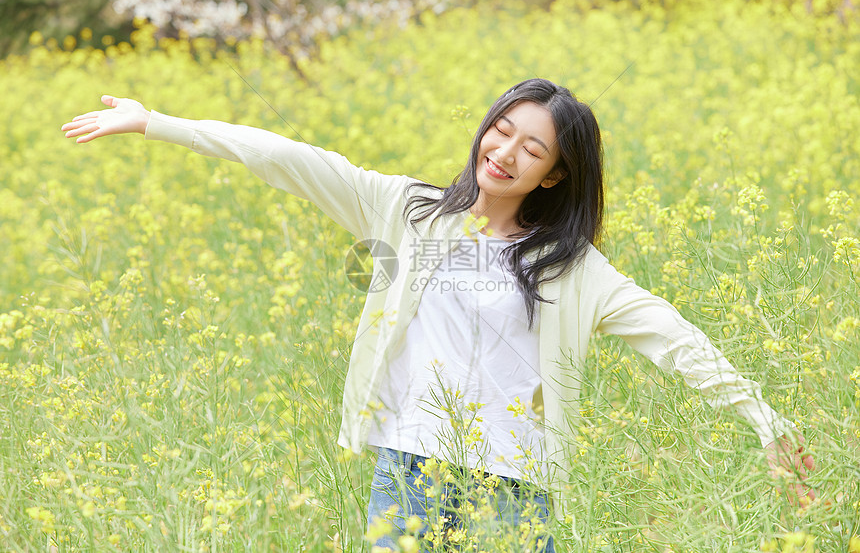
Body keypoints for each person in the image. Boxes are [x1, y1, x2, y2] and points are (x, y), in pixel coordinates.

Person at [62, 78, 815, 552]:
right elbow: (289, 158)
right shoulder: (407, 211)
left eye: (533, 148)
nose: (506, 151)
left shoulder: (573, 268)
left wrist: (765, 421)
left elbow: (674, 339)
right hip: (411, 464)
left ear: (555, 174)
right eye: (503, 130)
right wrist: (155, 121)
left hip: (516, 486)